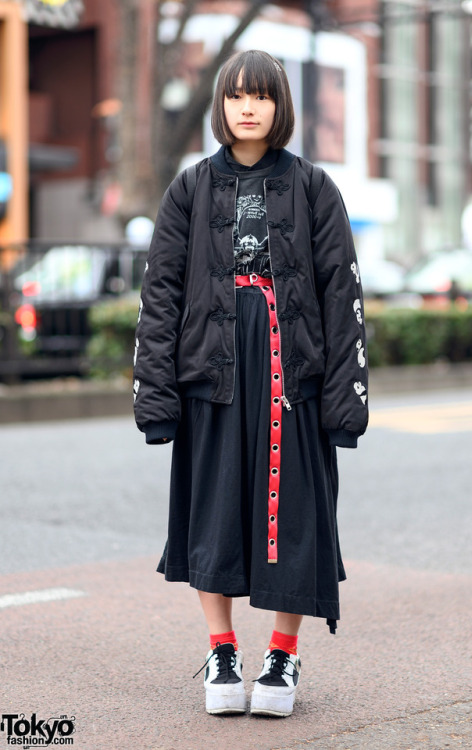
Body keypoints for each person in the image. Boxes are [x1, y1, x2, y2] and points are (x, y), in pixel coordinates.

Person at [133, 49, 368, 718]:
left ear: (279, 106)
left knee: (295, 519)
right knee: (213, 517)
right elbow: (161, 295)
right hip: (211, 371)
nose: (247, 107)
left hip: (293, 378)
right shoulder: (189, 188)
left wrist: (346, 406)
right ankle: (222, 649)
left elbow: (342, 295)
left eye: (260, 96)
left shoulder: (315, 188)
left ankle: (283, 657)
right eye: (235, 95)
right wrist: (157, 397)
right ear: (221, 106)